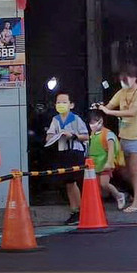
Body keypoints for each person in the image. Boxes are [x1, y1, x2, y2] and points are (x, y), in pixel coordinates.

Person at [99, 65, 137, 213]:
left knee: (135, 171)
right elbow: (109, 105)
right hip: (124, 136)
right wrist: (101, 108)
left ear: (134, 77)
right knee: (124, 171)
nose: (123, 81)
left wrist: (109, 112)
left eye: (126, 78)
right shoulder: (122, 92)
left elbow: (132, 112)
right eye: (121, 79)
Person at [46, 91, 89, 225]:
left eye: (64, 102)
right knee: (68, 183)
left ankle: (80, 210)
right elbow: (48, 136)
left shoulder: (76, 119)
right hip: (62, 152)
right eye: (58, 102)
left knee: (74, 181)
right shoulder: (55, 120)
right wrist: (55, 136)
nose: (61, 105)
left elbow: (86, 135)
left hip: (75, 152)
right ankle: (75, 210)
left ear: (71, 105)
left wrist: (73, 135)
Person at [87, 110, 127, 211]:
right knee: (95, 186)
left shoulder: (108, 134)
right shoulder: (92, 134)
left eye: (94, 122)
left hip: (105, 163)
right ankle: (97, 206)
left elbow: (111, 149)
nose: (92, 125)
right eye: (90, 123)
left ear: (101, 121)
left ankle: (119, 196)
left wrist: (109, 162)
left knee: (104, 183)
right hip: (94, 164)